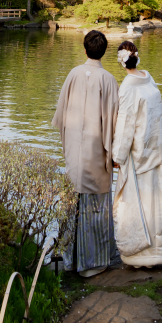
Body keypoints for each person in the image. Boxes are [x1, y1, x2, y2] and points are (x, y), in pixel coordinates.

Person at [52, 28, 120, 277]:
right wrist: (113, 155)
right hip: (96, 153)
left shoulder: (73, 74)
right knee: (96, 206)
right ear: (104, 52)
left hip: (74, 150)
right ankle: (93, 262)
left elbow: (60, 116)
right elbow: (113, 123)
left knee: (73, 201)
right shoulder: (109, 80)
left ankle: (70, 258)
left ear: (84, 49)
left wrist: (69, 141)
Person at [111, 39, 162, 268]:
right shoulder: (149, 80)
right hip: (155, 148)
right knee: (156, 201)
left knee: (136, 203)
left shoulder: (128, 86)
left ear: (121, 62)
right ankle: (161, 250)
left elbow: (125, 123)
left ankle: (140, 255)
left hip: (138, 153)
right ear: (137, 57)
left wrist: (117, 156)